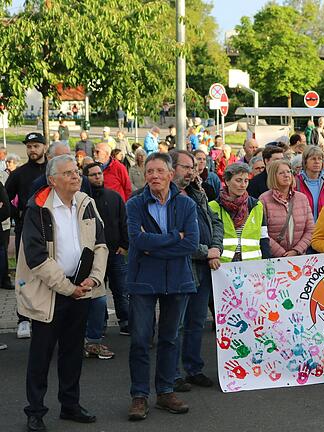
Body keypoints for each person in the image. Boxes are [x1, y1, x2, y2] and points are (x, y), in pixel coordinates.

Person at [19, 154, 108, 431]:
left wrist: (93, 280)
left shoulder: (87, 203)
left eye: (76, 172)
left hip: (81, 291)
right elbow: (36, 258)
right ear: (52, 179)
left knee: (72, 353)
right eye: (68, 173)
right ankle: (35, 411)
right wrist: (69, 288)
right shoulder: (38, 208)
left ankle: (70, 405)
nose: (75, 176)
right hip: (51, 293)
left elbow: (101, 245)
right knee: (41, 356)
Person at [125, 152, 199, 421]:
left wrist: (154, 243)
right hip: (143, 280)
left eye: (159, 171)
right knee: (141, 340)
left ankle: (166, 392)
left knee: (170, 338)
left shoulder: (187, 204)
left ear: (171, 174)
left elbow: (190, 244)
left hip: (177, 280)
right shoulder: (134, 204)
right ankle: (139, 396)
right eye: (149, 171)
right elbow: (136, 240)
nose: (154, 176)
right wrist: (172, 238)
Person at [171, 150, 224, 392]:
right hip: (181, 268)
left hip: (203, 268)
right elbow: (175, 238)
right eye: (185, 167)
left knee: (196, 321)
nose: (191, 172)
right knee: (175, 324)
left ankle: (193, 369)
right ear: (171, 169)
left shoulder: (198, 192)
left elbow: (215, 221)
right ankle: (172, 374)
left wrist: (216, 247)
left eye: (193, 167)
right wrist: (206, 252)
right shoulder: (166, 197)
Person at [83, 162, 129, 358]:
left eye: (99, 174)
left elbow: (124, 221)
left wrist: (125, 245)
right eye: (92, 175)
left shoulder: (114, 197)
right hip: (93, 257)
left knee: (121, 290)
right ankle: (98, 326)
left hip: (116, 253)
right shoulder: (84, 200)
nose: (97, 177)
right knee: (97, 295)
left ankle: (126, 322)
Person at [7, 132, 49, 339]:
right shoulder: (19, 173)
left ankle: (46, 315)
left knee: (51, 273)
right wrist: (19, 213)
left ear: (44, 147)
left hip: (52, 229)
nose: (32, 150)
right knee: (25, 275)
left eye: (36, 146)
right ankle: (23, 319)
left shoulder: (54, 170)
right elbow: (5, 200)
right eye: (29, 146)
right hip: (26, 229)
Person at [209, 163, 271, 262]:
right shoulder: (213, 206)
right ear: (227, 181)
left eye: (246, 181)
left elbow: (263, 237)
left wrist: (267, 262)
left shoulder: (256, 205)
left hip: (252, 264)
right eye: (238, 180)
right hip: (222, 265)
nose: (243, 185)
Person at [260, 159, 314, 257]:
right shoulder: (264, 200)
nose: (286, 175)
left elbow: (310, 229)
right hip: (274, 259)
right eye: (281, 173)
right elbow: (262, 232)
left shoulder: (302, 198)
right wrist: (282, 254)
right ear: (273, 176)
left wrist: (297, 250)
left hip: (299, 257)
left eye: (288, 171)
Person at [295, 146, 324, 221]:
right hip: (303, 229)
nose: (317, 161)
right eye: (313, 159)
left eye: (319, 159)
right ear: (305, 162)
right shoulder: (296, 182)